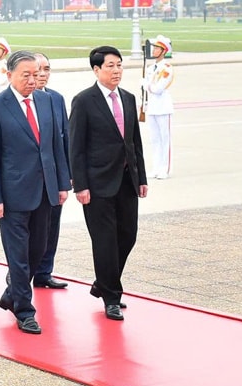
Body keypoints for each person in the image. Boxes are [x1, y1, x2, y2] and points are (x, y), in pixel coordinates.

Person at [0, 50, 71, 335]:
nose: (33, 80)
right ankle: (24, 310)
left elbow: (55, 147)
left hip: (45, 191)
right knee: (18, 256)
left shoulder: (46, 101)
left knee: (38, 250)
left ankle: (12, 294)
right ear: (9, 76)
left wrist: (62, 184)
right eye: (26, 75)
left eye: (37, 74)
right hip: (13, 195)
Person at [69, 45, 148, 321]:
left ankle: (103, 283)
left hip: (127, 181)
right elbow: (75, 146)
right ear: (96, 69)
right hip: (97, 185)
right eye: (110, 66)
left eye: (119, 65)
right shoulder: (84, 101)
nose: (116, 71)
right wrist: (80, 185)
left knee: (128, 236)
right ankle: (112, 297)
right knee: (104, 242)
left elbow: (134, 142)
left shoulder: (127, 98)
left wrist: (142, 178)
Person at [30, 53, 71, 290]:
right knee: (28, 228)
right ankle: (22, 271)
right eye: (37, 70)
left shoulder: (56, 99)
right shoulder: (16, 101)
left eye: (46, 69)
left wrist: (67, 176)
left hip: (54, 176)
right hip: (29, 179)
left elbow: (64, 138)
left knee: (51, 225)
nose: (43, 74)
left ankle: (44, 272)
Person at [143, 36, 175, 179]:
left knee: (165, 139)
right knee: (154, 139)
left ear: (163, 51)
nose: (154, 50)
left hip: (163, 107)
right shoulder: (150, 68)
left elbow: (158, 88)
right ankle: (156, 167)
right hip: (152, 108)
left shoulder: (167, 68)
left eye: (157, 48)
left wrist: (146, 85)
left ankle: (165, 169)